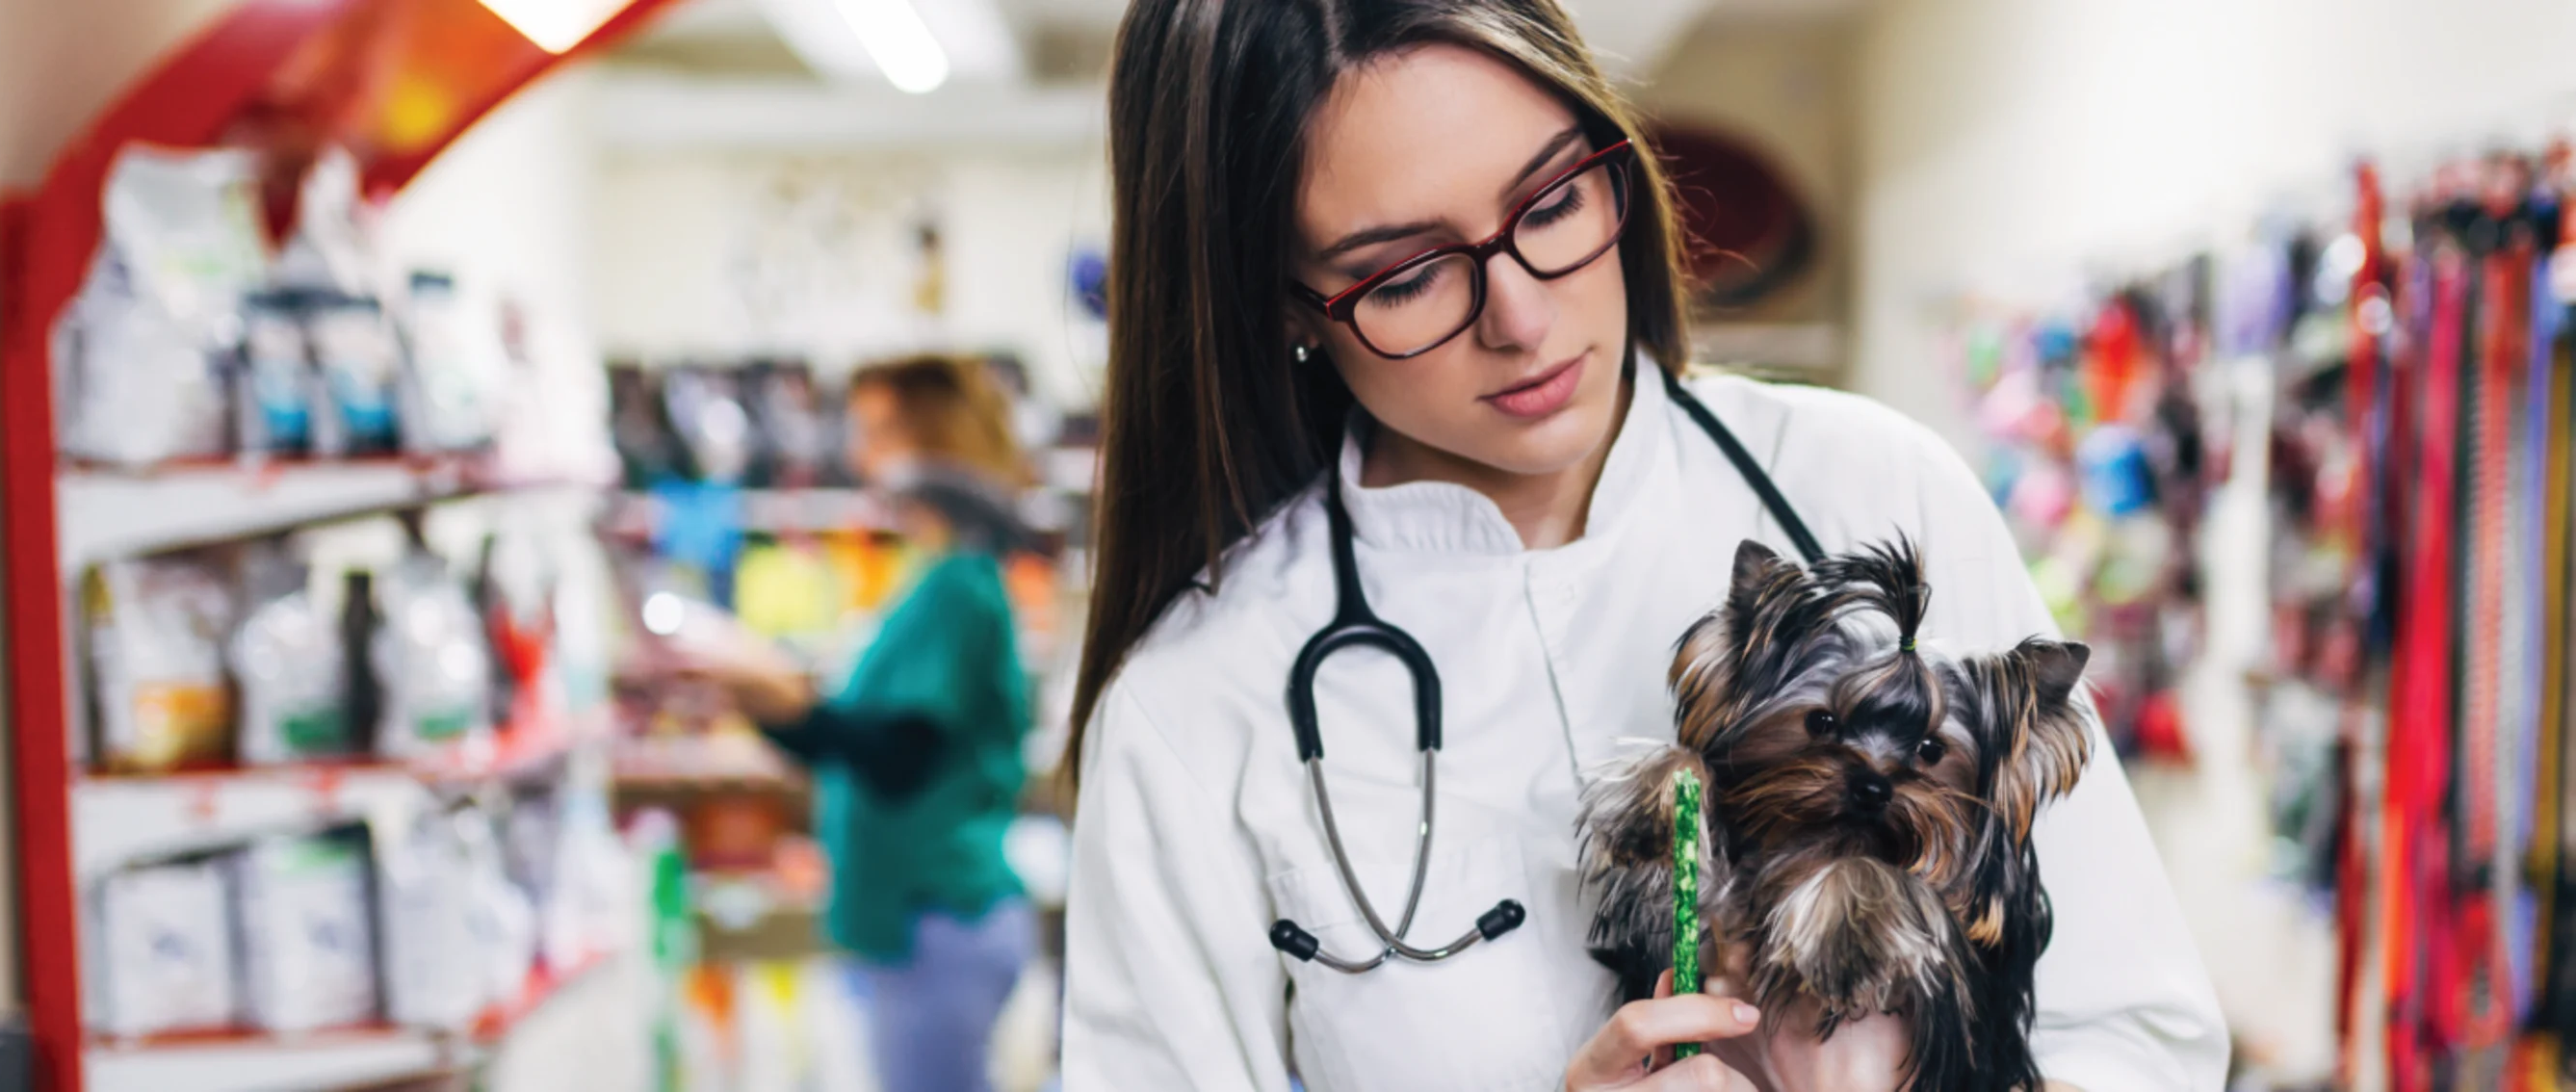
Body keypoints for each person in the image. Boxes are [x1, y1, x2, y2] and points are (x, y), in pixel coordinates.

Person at [1057, 2, 2227, 1091]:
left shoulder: (1872, 484)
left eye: (1555, 202)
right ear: (1281, 304)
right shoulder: (1195, 705)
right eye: (1407, 275)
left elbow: (2141, 1037)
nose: (1522, 320)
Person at [671, 354, 1038, 1092]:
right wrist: (759, 701)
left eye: (878, 432)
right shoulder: (932, 578)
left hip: (940, 918)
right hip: (918, 920)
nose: (860, 454)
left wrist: (787, 701)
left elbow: (899, 758)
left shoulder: (959, 589)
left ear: (936, 444)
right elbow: (858, 742)